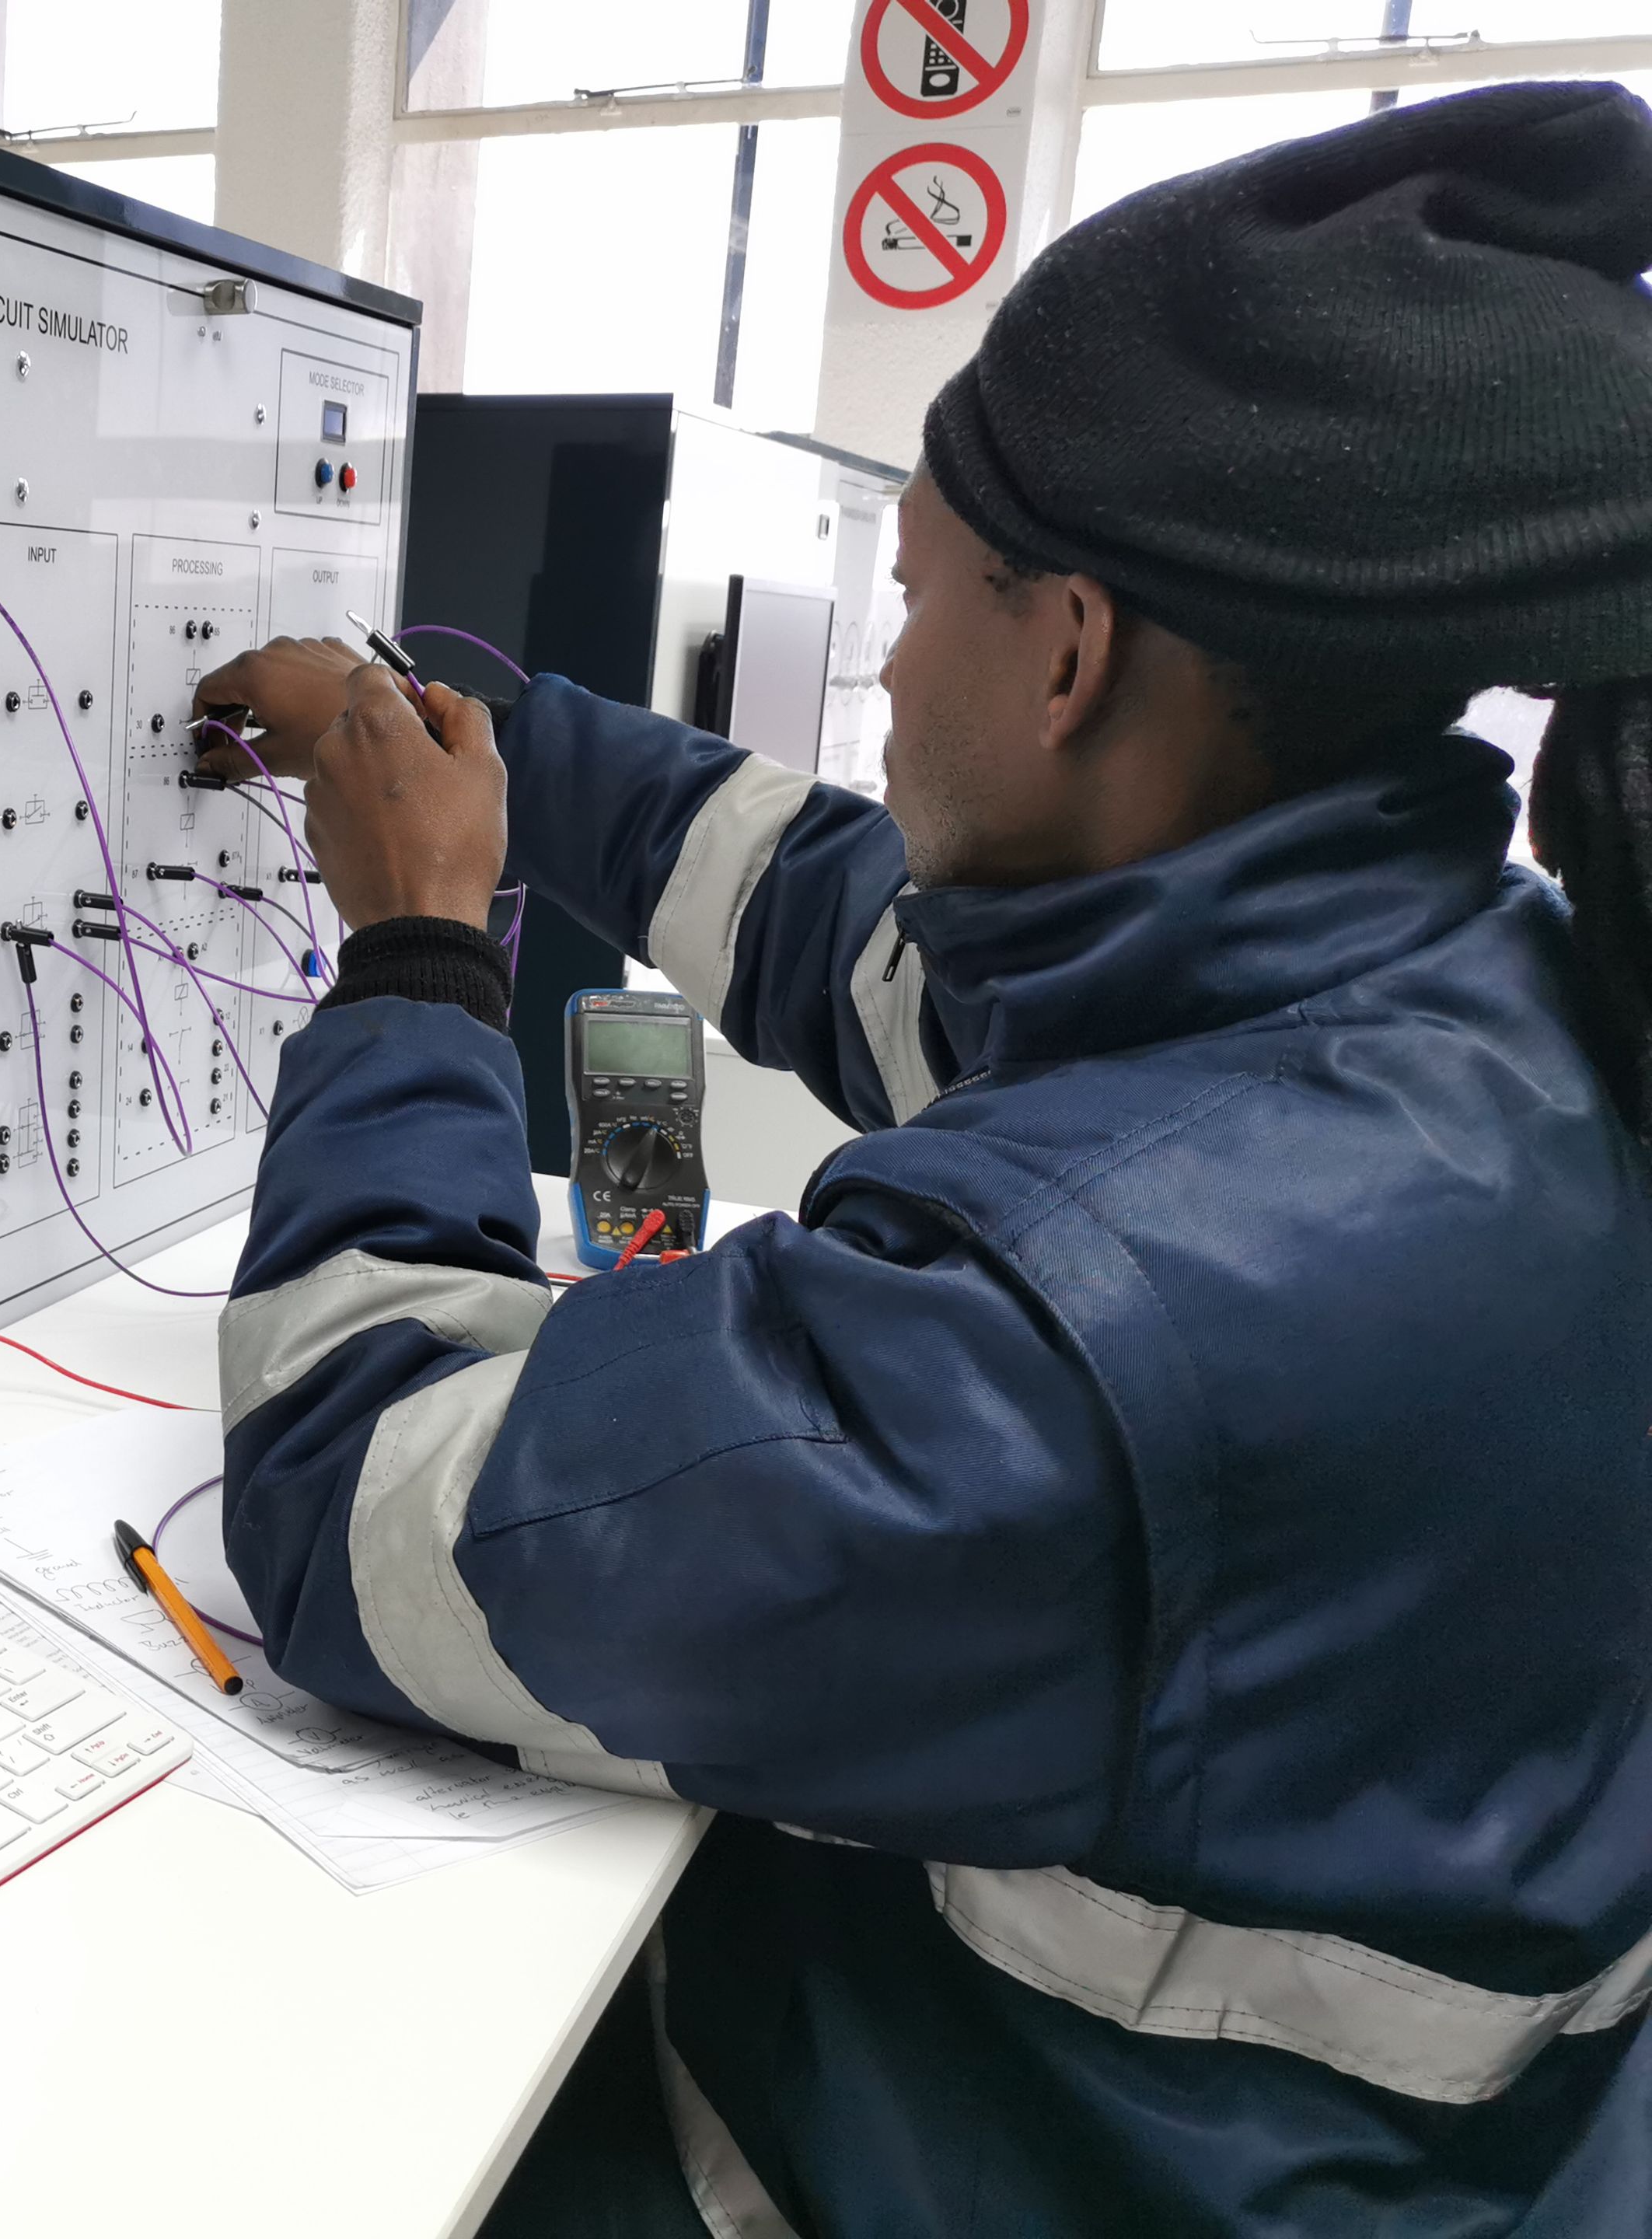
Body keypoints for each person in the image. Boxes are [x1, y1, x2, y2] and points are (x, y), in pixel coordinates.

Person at [194, 81, 1652, 2235]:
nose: (880, 667)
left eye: (914, 593)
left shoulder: (1060, 1355)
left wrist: (415, 961)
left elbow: (347, 1499)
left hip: (1018, 2169)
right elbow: (871, 939)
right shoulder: (1452, 986)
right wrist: (467, 742)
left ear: (1066, 651)